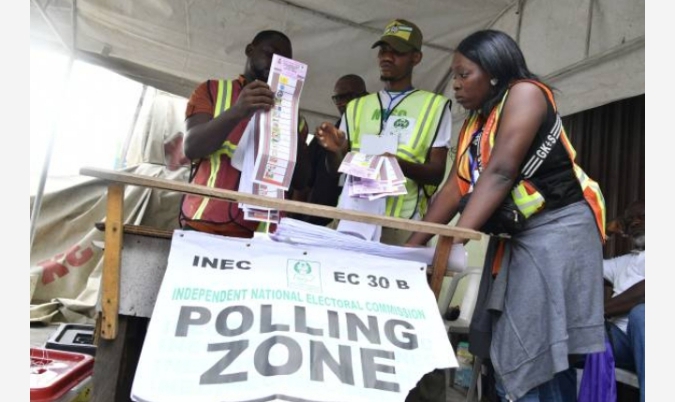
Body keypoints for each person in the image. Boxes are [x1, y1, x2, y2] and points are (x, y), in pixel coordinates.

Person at [405, 29, 607, 401]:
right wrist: (409, 248)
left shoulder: (526, 94)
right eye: (454, 75)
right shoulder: (475, 124)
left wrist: (452, 240)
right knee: (518, 343)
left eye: (464, 74)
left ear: (494, 71)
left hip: (559, 232)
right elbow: (454, 187)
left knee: (532, 345)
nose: (456, 84)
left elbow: (500, 172)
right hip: (520, 237)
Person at [315, 19, 452, 245]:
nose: (386, 57)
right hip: (352, 220)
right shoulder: (357, 106)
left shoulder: (435, 106)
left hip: (399, 226)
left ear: (415, 58)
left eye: (396, 52)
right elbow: (335, 170)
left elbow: (437, 173)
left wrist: (396, 164)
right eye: (383, 51)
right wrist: (335, 151)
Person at [180, 30, 310, 237]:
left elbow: (301, 181)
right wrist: (237, 111)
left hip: (261, 237)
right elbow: (192, 148)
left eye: (284, 61)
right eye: (271, 54)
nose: (277, 63)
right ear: (250, 50)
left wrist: (290, 126)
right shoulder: (211, 90)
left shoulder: (296, 117)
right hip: (203, 226)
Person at [291, 74, 368, 225]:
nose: (344, 103)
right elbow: (304, 184)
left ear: (365, 96)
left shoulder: (370, 134)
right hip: (316, 222)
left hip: (353, 220)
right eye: (338, 98)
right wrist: (294, 219)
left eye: (350, 96)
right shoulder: (325, 135)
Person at [603, 199, 645, 402]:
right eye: (630, 220)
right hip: (619, 341)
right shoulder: (624, 262)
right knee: (565, 343)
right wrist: (606, 231)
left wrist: (600, 311)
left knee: (642, 314)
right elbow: (579, 264)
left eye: (642, 217)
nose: (636, 223)